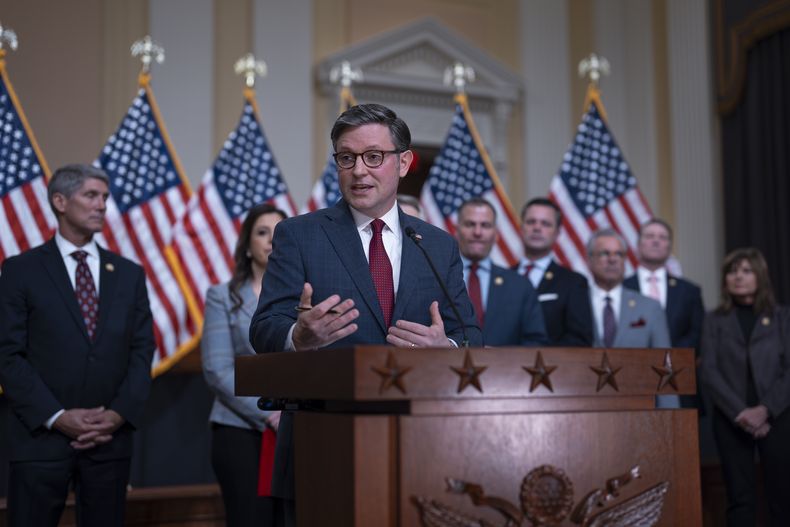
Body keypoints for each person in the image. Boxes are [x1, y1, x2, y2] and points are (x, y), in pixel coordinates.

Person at [249, 103, 481, 523]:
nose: (359, 170)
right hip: (322, 447)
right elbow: (264, 327)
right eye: (346, 157)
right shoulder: (299, 235)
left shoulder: (437, 244)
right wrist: (298, 338)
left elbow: (470, 336)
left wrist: (442, 347)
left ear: (404, 162)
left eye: (374, 157)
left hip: (419, 448)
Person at [0, 164, 155, 526]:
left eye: (104, 197)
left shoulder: (130, 273)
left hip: (109, 441)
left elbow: (142, 350)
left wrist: (116, 415)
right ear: (60, 201)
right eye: (91, 195)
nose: (102, 205)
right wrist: (57, 417)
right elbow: (8, 353)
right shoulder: (21, 270)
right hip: (40, 439)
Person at [202, 203, 286, 527]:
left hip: (296, 428)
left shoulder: (305, 295)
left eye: (278, 234)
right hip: (240, 429)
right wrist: (268, 412)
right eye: (262, 233)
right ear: (247, 245)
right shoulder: (222, 296)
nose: (270, 241)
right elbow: (216, 369)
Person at [700, 248, 790, 526]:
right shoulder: (714, 320)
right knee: (740, 500)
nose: (738, 276)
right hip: (731, 420)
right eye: (732, 271)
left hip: (777, 418)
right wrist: (743, 414)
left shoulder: (782, 317)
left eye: (746, 270)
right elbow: (709, 370)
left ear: (760, 276)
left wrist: (765, 410)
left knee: (783, 497)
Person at [623, 219, 705, 408]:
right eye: (650, 236)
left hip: (678, 382)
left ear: (669, 246)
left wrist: (666, 359)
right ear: (638, 244)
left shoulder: (689, 291)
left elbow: (697, 334)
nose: (656, 241)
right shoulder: (622, 288)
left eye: (662, 237)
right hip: (631, 382)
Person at [455, 197, 547, 346]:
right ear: (457, 230)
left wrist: (502, 359)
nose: (477, 232)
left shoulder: (520, 285)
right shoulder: (439, 278)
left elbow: (535, 342)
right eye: (470, 224)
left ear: (496, 234)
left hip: (506, 368)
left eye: (485, 225)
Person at [515, 198, 593, 346]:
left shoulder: (573, 282)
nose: (537, 228)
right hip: (499, 364)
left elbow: (580, 340)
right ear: (521, 227)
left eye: (545, 223)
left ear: (557, 232)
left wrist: (533, 355)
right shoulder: (502, 277)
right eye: (531, 222)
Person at [587, 229, 670, 349]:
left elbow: (665, 359)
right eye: (604, 253)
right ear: (590, 260)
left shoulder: (650, 307)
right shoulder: (576, 303)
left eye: (619, 254)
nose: (612, 259)